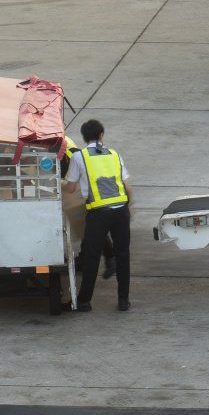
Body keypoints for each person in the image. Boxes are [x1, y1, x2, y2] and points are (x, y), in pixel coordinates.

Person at [65, 119, 130, 311]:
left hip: (98, 213)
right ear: (102, 135)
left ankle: (84, 301)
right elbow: (128, 186)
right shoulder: (114, 155)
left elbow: (70, 188)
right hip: (120, 211)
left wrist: (59, 183)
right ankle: (123, 301)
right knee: (123, 256)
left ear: (84, 138)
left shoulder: (80, 157)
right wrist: (129, 207)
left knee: (92, 257)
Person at [61, 137, 114, 281]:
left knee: (90, 224)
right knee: (87, 224)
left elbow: (71, 181)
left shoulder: (71, 154)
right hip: (83, 189)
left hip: (85, 190)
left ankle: (110, 256)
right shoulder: (64, 148)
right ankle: (84, 260)